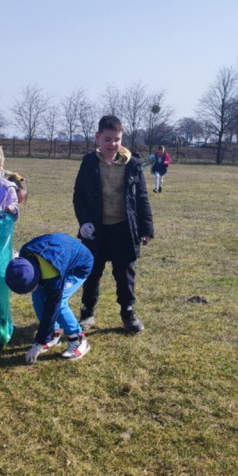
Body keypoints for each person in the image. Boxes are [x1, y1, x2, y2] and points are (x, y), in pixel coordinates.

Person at [72, 114, 154, 334]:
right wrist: (84, 222)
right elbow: (79, 196)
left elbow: (142, 198)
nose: (112, 144)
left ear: (122, 138)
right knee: (91, 272)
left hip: (123, 230)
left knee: (125, 274)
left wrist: (146, 229)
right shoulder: (89, 163)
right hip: (96, 231)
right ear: (98, 137)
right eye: (107, 139)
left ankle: (128, 313)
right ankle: (87, 312)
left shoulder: (133, 164)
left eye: (116, 139)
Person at [5, 233, 94, 363]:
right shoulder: (24, 255)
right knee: (38, 297)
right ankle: (52, 334)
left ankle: (78, 339)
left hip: (79, 266)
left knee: (59, 301)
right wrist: (44, 337)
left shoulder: (53, 273)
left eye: (30, 288)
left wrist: (39, 343)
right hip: (54, 256)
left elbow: (53, 306)